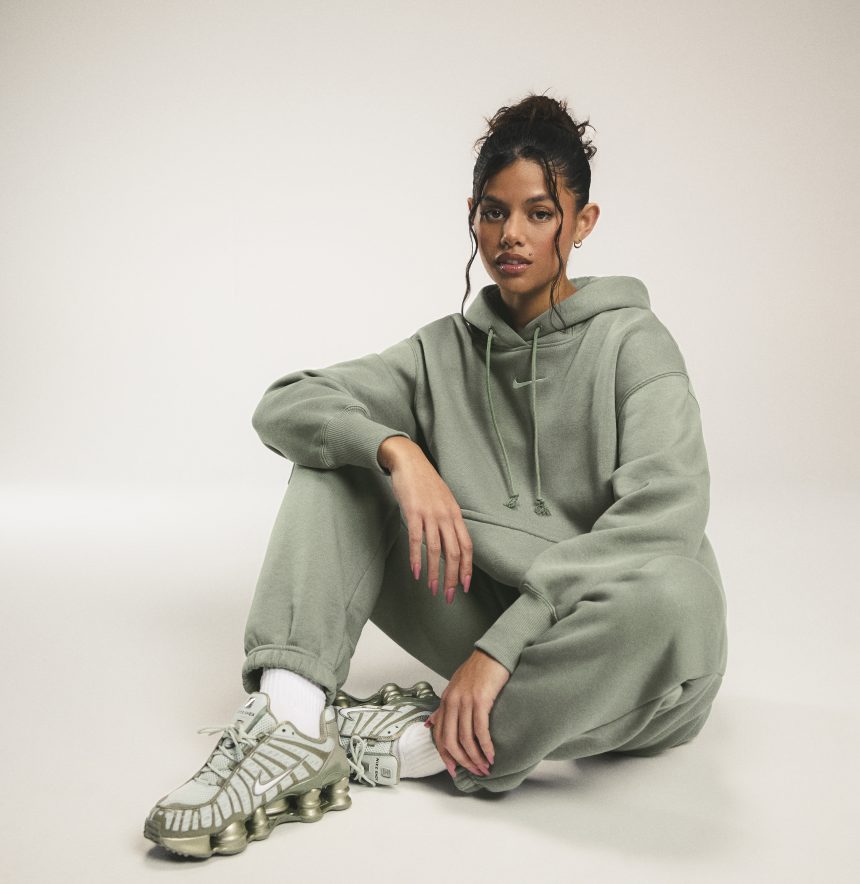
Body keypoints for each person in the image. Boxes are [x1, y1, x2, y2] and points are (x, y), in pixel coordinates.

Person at [144, 93, 728, 859]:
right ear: (472, 217)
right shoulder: (442, 352)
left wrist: (504, 647)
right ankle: (289, 727)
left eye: (539, 214)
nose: (511, 234)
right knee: (339, 459)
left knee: (678, 594)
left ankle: (417, 745)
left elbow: (663, 520)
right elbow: (287, 403)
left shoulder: (634, 344)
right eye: (494, 212)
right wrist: (397, 450)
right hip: (489, 621)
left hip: (615, 654)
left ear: (582, 222)